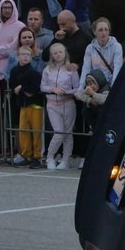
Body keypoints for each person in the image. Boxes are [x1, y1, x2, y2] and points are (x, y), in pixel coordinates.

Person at [0, 0, 25, 157]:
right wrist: (3, 50)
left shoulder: (20, 27)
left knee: (13, 112)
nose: (7, 10)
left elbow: (13, 49)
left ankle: (16, 146)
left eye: (9, 7)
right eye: (4, 7)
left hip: (12, 76)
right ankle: (3, 145)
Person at [40, 42, 79, 170]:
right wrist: (53, 89)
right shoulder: (47, 69)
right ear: (51, 55)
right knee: (58, 133)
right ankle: (50, 157)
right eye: (55, 53)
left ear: (65, 53)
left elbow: (77, 88)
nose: (58, 55)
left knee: (68, 133)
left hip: (68, 104)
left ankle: (65, 160)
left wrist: (66, 92)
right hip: (52, 104)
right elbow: (42, 86)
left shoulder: (71, 69)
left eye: (60, 52)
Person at [8, 46, 45, 168]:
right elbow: (13, 86)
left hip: (35, 105)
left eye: (28, 55)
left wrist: (22, 89)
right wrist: (19, 90)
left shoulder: (34, 73)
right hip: (22, 104)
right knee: (23, 130)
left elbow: (34, 89)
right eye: (23, 54)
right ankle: (26, 155)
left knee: (36, 131)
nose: (25, 57)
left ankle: (37, 156)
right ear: (18, 56)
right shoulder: (14, 71)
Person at [78, 17, 123, 87]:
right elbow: (86, 68)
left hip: (109, 83)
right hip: (95, 84)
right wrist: (81, 87)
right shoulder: (90, 48)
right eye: (100, 30)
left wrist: (113, 86)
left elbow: (118, 66)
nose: (104, 33)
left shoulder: (116, 46)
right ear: (94, 32)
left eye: (106, 29)